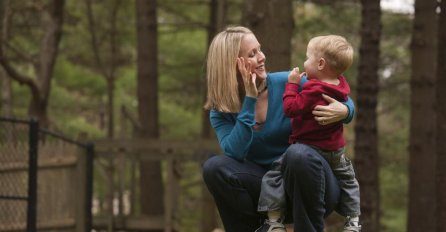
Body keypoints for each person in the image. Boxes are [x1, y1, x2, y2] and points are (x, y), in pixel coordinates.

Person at [202, 26, 355, 232]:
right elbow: (235, 153)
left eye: (260, 50)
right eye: (252, 54)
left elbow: (337, 93)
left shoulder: (288, 83)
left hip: (314, 187)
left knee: (298, 154)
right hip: (269, 193)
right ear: (231, 64)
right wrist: (249, 99)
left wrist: (345, 111)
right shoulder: (221, 110)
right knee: (215, 168)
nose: (262, 57)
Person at [256, 35, 361, 232]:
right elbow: (348, 100)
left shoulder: (313, 89)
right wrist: (346, 109)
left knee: (274, 175)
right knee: (348, 179)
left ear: (321, 63)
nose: (304, 63)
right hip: (335, 151)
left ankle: (274, 220)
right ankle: (353, 222)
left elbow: (291, 108)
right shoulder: (340, 85)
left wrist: (293, 85)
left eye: (307, 58)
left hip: (311, 150)